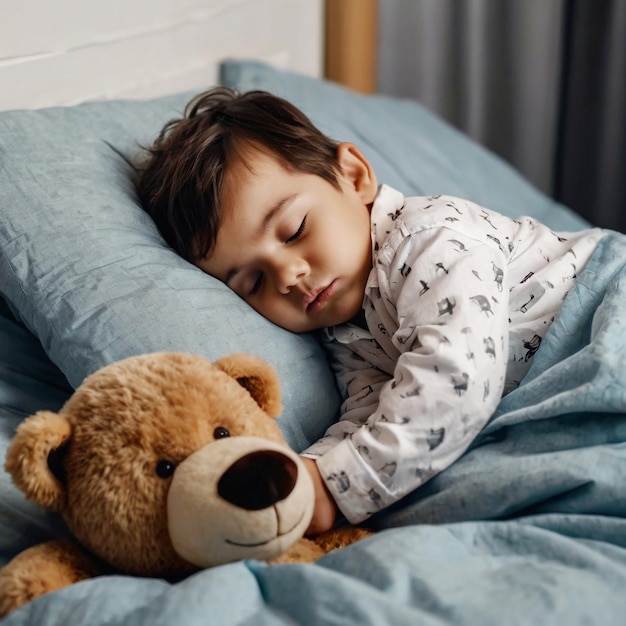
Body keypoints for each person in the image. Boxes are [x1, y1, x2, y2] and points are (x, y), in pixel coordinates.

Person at [137, 87, 605, 534]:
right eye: (253, 282)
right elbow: (373, 411)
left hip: (603, 306)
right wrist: (306, 477)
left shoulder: (426, 237)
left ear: (354, 177)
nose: (287, 276)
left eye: (295, 229)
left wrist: (338, 487)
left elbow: (457, 377)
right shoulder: (343, 331)